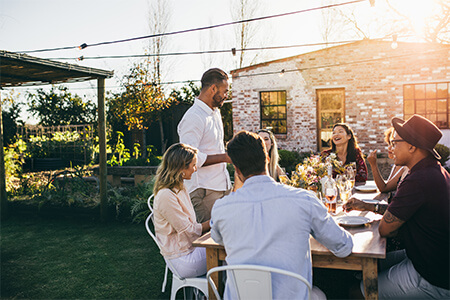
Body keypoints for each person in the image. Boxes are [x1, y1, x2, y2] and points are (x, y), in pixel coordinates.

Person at [210, 130, 353, 300]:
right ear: (267, 159)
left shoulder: (222, 207)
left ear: (237, 169)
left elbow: (218, 239)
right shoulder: (304, 200)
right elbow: (343, 247)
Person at [343, 114, 450, 299]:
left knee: (357, 292)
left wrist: (379, 213)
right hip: (429, 256)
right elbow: (403, 213)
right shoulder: (433, 170)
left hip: (432, 275)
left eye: (395, 142)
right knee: (366, 266)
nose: (391, 148)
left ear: (411, 146)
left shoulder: (418, 180)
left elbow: (385, 229)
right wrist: (366, 206)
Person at [177, 68, 232, 223]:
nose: (226, 96)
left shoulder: (215, 113)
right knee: (210, 241)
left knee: (227, 236)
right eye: (225, 91)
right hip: (204, 190)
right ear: (213, 88)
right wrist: (226, 158)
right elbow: (188, 157)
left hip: (222, 185)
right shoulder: (194, 117)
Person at [152, 143, 210, 278]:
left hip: (189, 249)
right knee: (227, 252)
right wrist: (213, 223)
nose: (195, 169)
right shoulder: (166, 195)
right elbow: (189, 231)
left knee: (226, 247)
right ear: (181, 167)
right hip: (182, 258)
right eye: (193, 165)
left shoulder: (180, 188)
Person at [367, 127, 408, 193]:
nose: (390, 148)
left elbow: (384, 188)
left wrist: (373, 165)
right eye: (389, 144)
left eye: (394, 144)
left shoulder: (404, 167)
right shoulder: (396, 165)